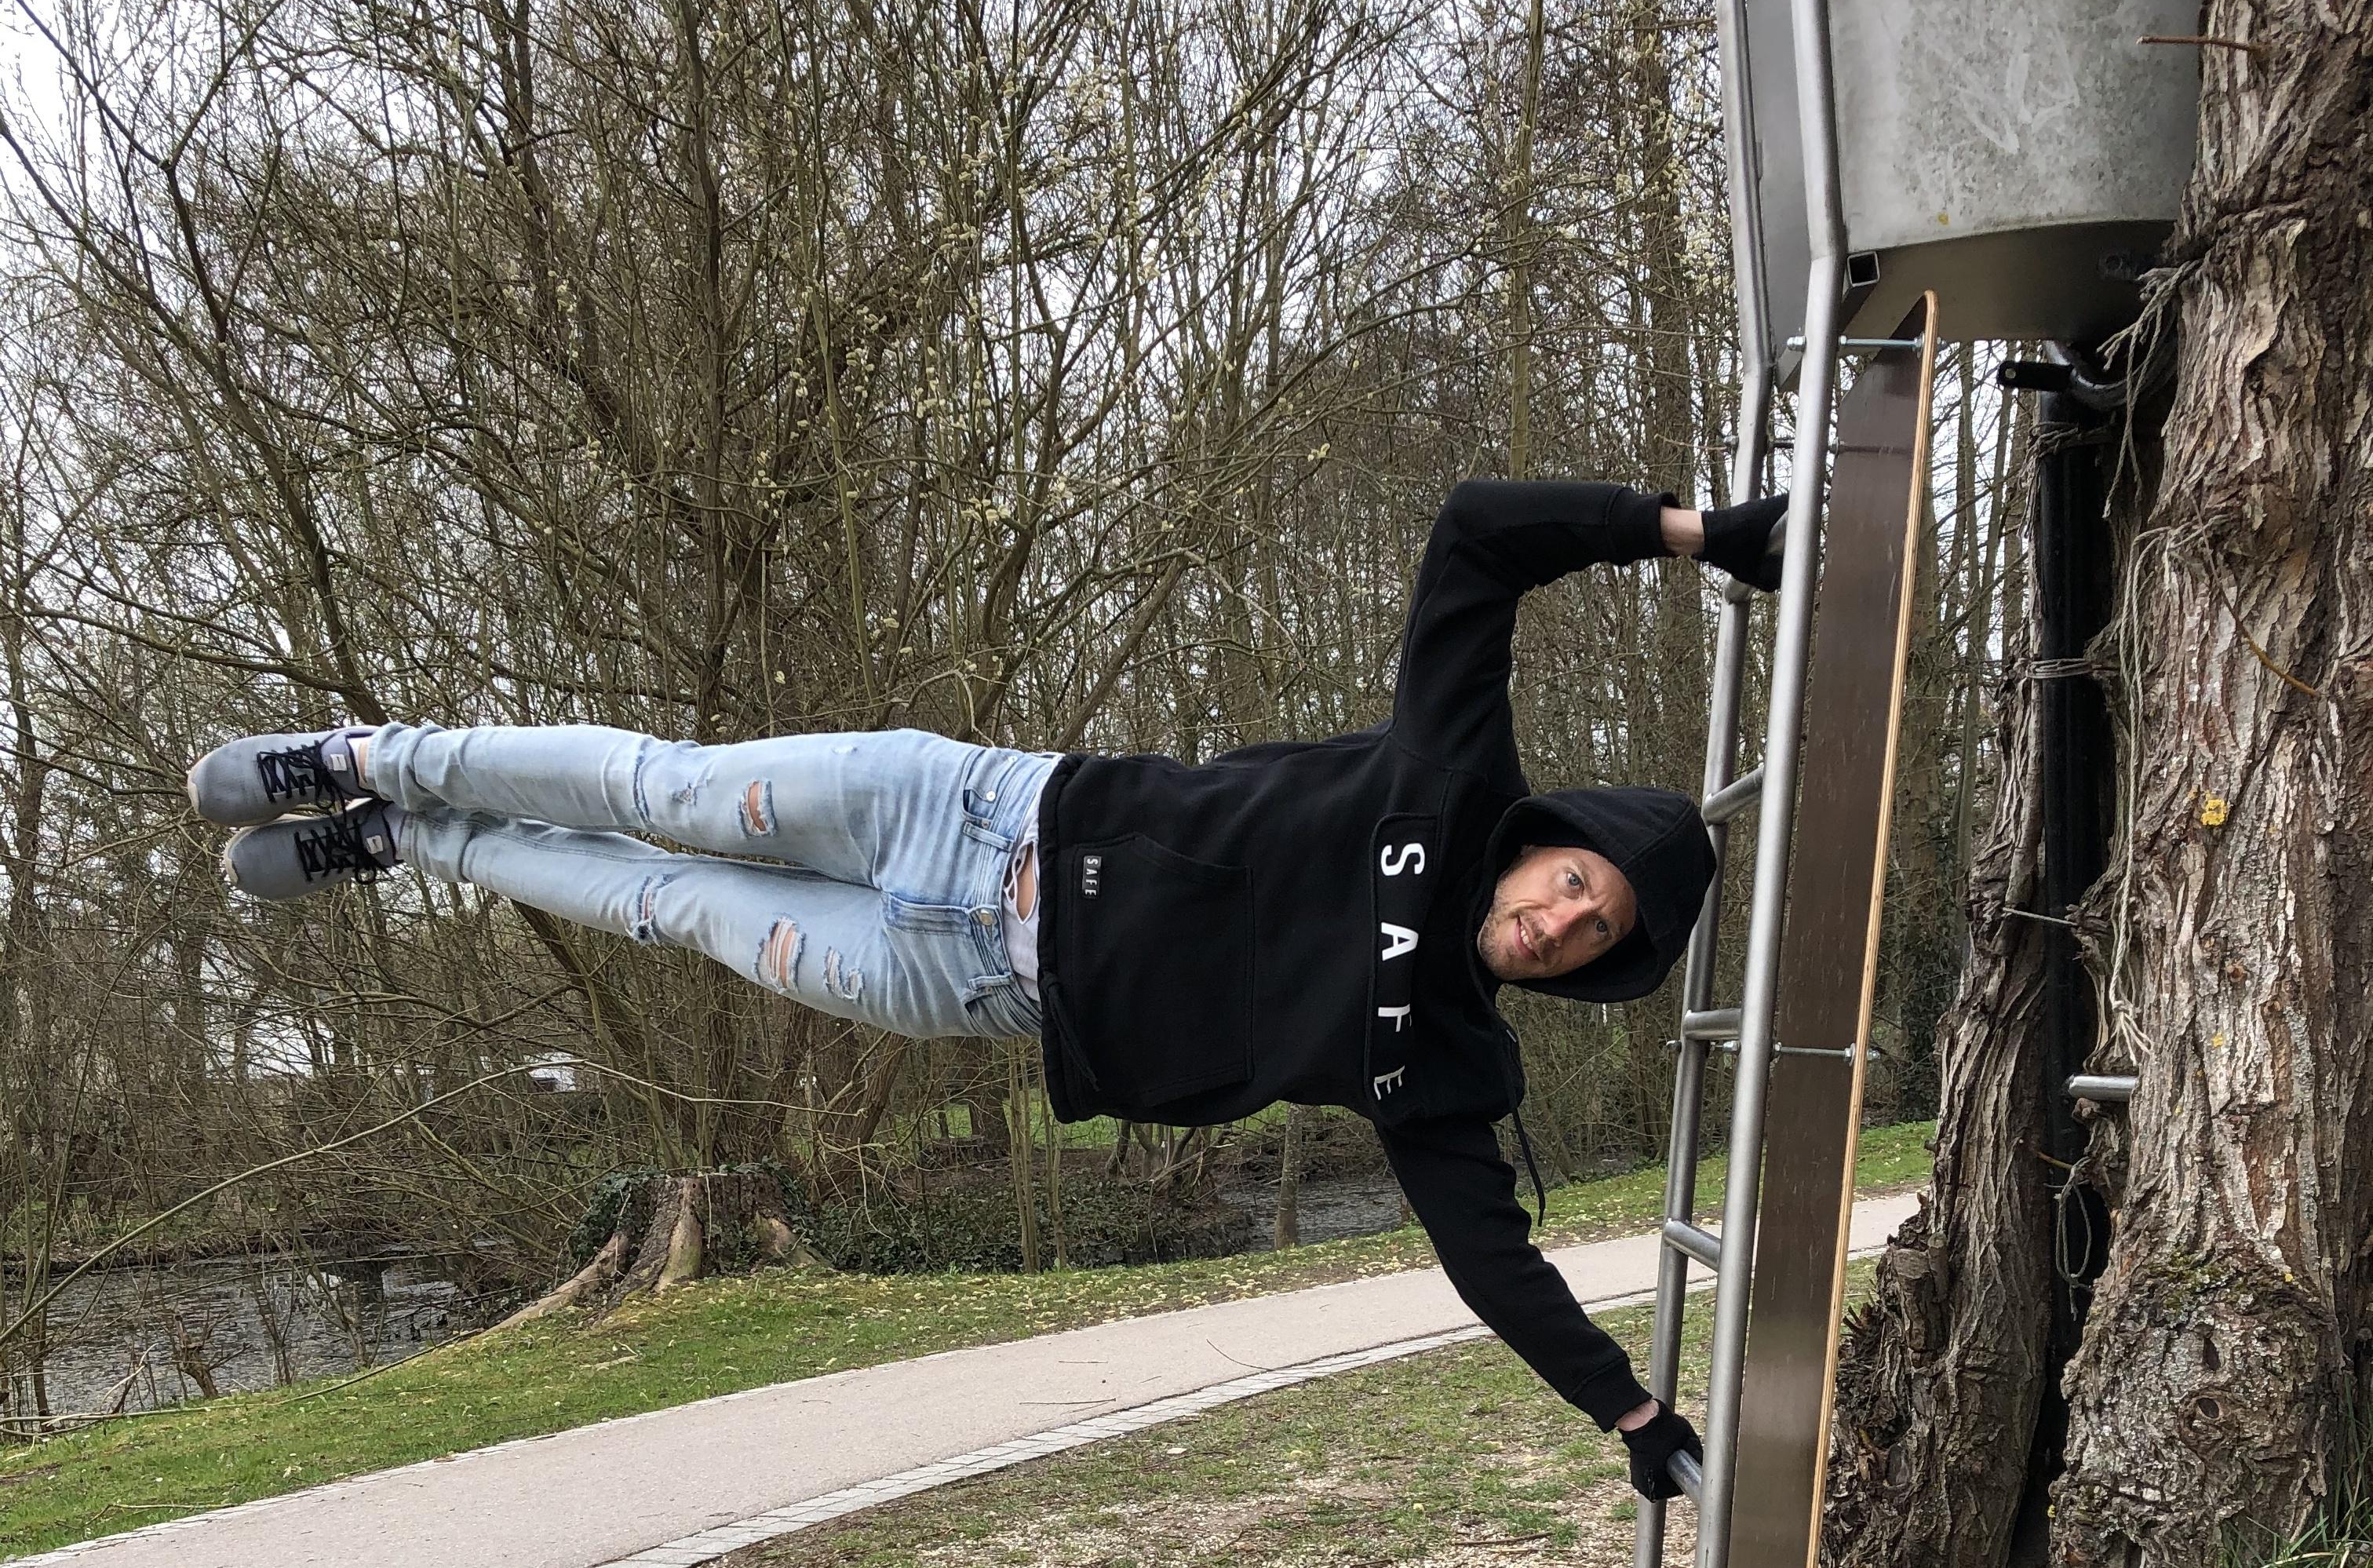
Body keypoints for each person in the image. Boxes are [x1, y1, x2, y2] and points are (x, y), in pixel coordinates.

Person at [186, 478, 1788, 1502]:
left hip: (962, 982)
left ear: (1593, 973)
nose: (1565, 920)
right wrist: (1697, 536)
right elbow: (1472, 535)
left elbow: (1490, 1260)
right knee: (667, 796)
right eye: (1575, 881)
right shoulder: (1451, 777)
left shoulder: (1449, 1070)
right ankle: (367, 756)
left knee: (671, 908)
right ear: (1550, 843)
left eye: (1598, 936)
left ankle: (409, 840)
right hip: (973, 809)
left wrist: (1628, 1413)